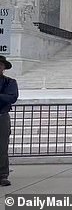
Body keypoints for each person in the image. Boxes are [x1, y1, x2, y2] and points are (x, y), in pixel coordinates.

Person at [0, 56, 18, 186]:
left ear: (4, 68)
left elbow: (11, 97)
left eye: (0, 65)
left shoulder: (9, 82)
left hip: (1, 116)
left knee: (2, 147)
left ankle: (2, 174)